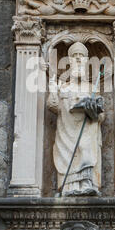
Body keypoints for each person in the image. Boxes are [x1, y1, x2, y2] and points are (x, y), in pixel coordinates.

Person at [47, 42, 104, 196]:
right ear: (69, 61)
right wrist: (53, 91)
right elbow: (53, 106)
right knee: (67, 156)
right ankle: (68, 188)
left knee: (86, 150)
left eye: (82, 57)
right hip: (66, 132)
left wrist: (94, 111)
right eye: (74, 56)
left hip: (87, 131)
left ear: (86, 61)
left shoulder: (93, 88)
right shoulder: (63, 87)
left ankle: (87, 184)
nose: (78, 60)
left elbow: (101, 115)